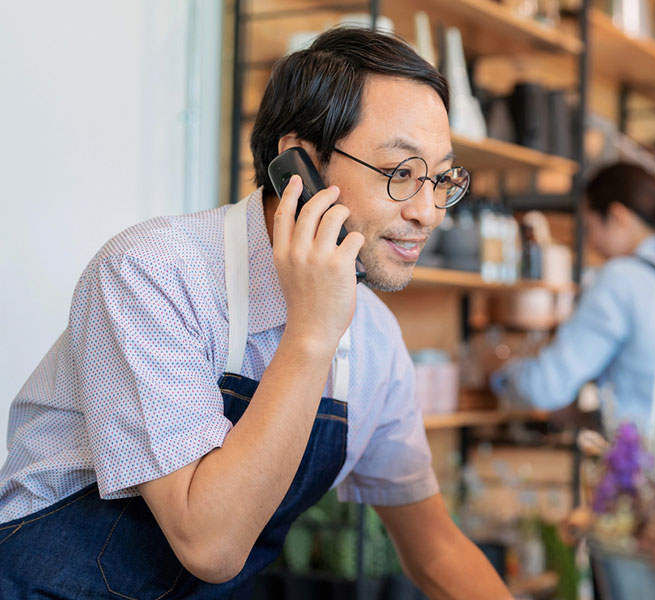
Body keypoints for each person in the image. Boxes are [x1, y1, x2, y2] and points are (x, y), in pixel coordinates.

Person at [0, 27, 510, 599]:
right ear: (299, 163)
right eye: (401, 173)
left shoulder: (374, 341)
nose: (428, 211)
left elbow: (435, 548)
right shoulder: (152, 274)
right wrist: (312, 331)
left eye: (441, 178)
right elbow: (210, 545)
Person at [491, 162, 655, 428]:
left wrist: (498, 375)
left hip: (646, 462)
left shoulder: (622, 278)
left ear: (617, 217)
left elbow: (548, 386)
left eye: (591, 228)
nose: (592, 244)